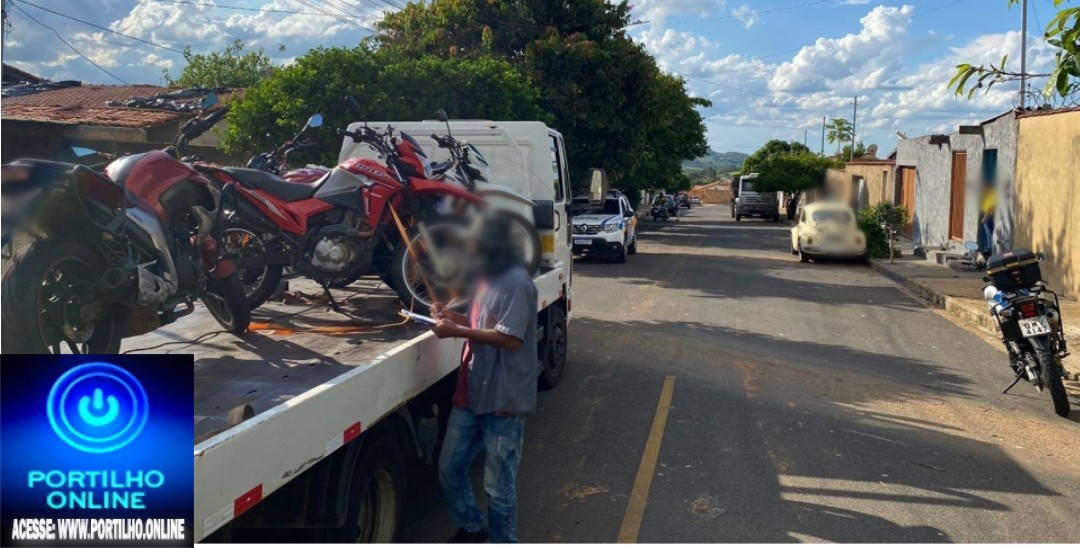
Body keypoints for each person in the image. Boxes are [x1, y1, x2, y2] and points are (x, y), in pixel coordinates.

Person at [430, 212, 539, 543]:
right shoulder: (483, 279)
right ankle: (472, 526)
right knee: (450, 469)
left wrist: (456, 331)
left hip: (502, 400)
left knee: (498, 487)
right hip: (472, 392)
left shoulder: (518, 282)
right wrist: (454, 316)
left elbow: (511, 338)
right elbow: (482, 322)